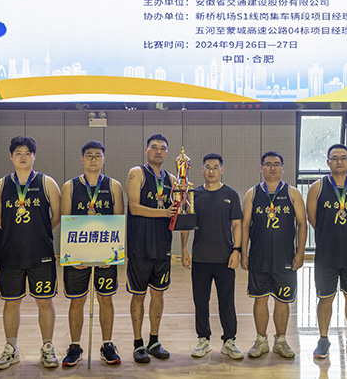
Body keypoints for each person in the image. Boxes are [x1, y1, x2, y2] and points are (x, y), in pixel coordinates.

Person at [0, 136, 61, 369]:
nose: (23, 157)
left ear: (34, 156)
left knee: (44, 302)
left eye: (27, 153)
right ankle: (11, 348)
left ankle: (47, 347)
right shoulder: (1, 185)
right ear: (11, 156)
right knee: (11, 303)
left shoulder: (47, 182)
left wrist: (39, 232)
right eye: (18, 153)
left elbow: (56, 216)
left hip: (41, 253)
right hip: (11, 254)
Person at [60, 141, 125, 367]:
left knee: (105, 299)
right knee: (77, 301)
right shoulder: (70, 186)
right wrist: (72, 256)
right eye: (89, 155)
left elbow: (118, 222)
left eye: (98, 155)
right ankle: (75, 346)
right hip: (77, 256)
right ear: (82, 159)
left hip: (105, 255)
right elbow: (66, 221)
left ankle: (107, 345)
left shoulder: (114, 186)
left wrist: (111, 256)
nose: (93, 159)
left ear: (104, 160)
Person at [241, 151, 308, 359]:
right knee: (260, 299)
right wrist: (243, 252)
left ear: (283, 168)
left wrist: (300, 252)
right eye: (268, 164)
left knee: (282, 300)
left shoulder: (293, 193)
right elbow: (245, 225)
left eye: (276, 164)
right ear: (261, 168)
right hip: (259, 257)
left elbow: (302, 224)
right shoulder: (252, 193)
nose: (272, 168)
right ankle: (261, 341)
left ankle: (280, 341)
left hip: (285, 258)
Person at [306, 144, 347, 360]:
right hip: (326, 254)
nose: (339, 161)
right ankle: (323, 339)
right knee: (326, 298)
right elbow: (313, 218)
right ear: (328, 162)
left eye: (343, 158)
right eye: (334, 158)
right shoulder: (317, 187)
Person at [180, 153, 244, 360]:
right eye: (208, 167)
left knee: (227, 302)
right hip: (200, 258)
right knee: (201, 301)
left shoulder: (231, 194)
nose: (211, 171)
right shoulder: (194, 195)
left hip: (225, 258)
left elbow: (237, 224)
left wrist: (237, 250)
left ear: (222, 170)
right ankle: (203, 339)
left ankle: (229, 341)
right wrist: (184, 249)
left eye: (215, 167)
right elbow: (187, 224)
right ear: (202, 169)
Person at [125, 134, 178, 363]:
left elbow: (177, 212)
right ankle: (138, 344)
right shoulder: (137, 173)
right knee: (138, 296)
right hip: (139, 247)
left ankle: (154, 341)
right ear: (146, 150)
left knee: (158, 295)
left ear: (167, 153)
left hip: (162, 247)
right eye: (154, 147)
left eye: (162, 148)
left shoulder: (172, 179)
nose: (158, 151)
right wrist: (164, 212)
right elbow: (134, 208)